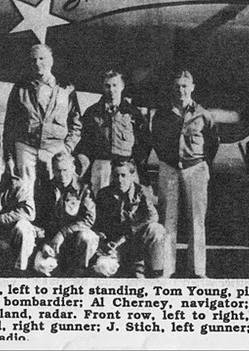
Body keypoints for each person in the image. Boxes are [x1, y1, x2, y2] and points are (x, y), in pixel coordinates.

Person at [152, 70, 219, 278]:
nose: (180, 90)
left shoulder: (203, 115)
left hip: (195, 169)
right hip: (170, 168)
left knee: (196, 221)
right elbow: (157, 138)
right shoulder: (163, 113)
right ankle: (166, 268)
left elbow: (212, 142)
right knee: (167, 219)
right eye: (177, 86)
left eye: (184, 86)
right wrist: (167, 161)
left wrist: (201, 164)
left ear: (192, 87)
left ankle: (198, 270)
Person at [3, 44, 82, 193]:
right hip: (26, 148)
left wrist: (67, 148)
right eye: (33, 60)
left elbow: (76, 122)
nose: (37, 63)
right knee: (24, 191)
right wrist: (9, 156)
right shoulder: (20, 88)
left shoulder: (66, 88)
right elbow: (9, 125)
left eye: (42, 58)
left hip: (55, 148)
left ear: (51, 61)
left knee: (55, 191)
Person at [77, 70, 151, 196]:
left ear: (122, 86)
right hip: (102, 167)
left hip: (126, 166)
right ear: (103, 87)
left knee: (128, 204)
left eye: (115, 85)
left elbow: (145, 140)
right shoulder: (92, 112)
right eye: (107, 86)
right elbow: (84, 142)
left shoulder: (133, 113)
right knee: (101, 203)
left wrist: (134, 162)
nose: (111, 90)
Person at [94, 158, 165, 278]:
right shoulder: (103, 194)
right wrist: (104, 241)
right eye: (116, 175)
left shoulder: (141, 192)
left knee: (156, 229)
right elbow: (97, 223)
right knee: (103, 268)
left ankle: (155, 273)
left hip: (134, 242)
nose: (120, 180)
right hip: (112, 246)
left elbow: (153, 216)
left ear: (132, 176)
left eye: (124, 175)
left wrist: (128, 233)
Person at [36, 151, 98, 276]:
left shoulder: (83, 189)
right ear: (53, 170)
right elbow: (39, 220)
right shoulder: (46, 188)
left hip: (75, 240)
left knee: (88, 237)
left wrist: (63, 233)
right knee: (40, 266)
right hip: (53, 242)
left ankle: (79, 273)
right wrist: (43, 244)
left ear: (73, 168)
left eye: (65, 170)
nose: (62, 175)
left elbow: (89, 219)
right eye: (58, 171)